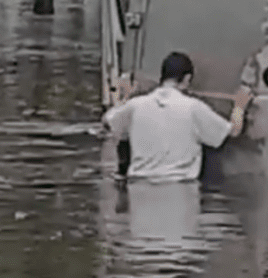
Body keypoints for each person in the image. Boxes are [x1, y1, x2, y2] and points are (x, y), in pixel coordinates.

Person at [103, 51, 254, 182]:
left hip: (139, 184)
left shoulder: (135, 106)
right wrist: (239, 106)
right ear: (187, 79)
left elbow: (108, 121)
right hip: (180, 186)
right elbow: (233, 131)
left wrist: (124, 97)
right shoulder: (193, 108)